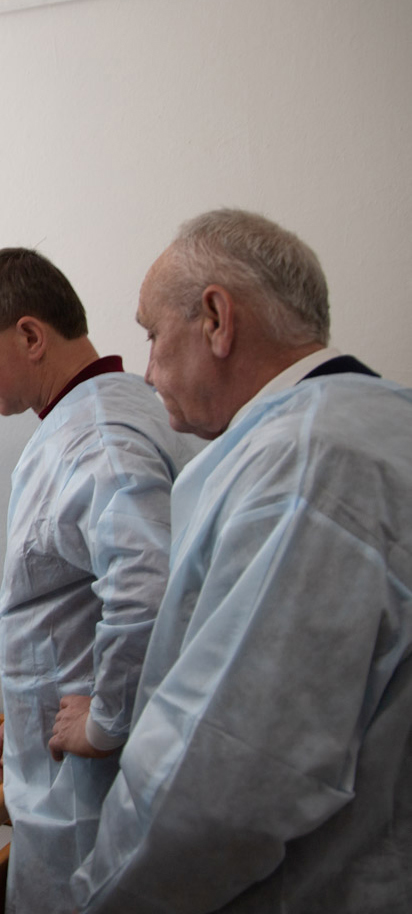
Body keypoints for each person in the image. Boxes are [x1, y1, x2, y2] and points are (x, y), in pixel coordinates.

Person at [72, 209, 412, 913]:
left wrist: (99, 897)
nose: (146, 369)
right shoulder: (379, 421)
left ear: (216, 320)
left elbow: (221, 781)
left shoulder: (305, 466)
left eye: (151, 335)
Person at [0, 249, 196, 914]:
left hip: (88, 783)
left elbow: (146, 590)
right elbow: (60, 599)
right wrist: (24, 715)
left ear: (30, 335)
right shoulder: (105, 412)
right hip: (60, 745)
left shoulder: (101, 439)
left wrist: (103, 724)